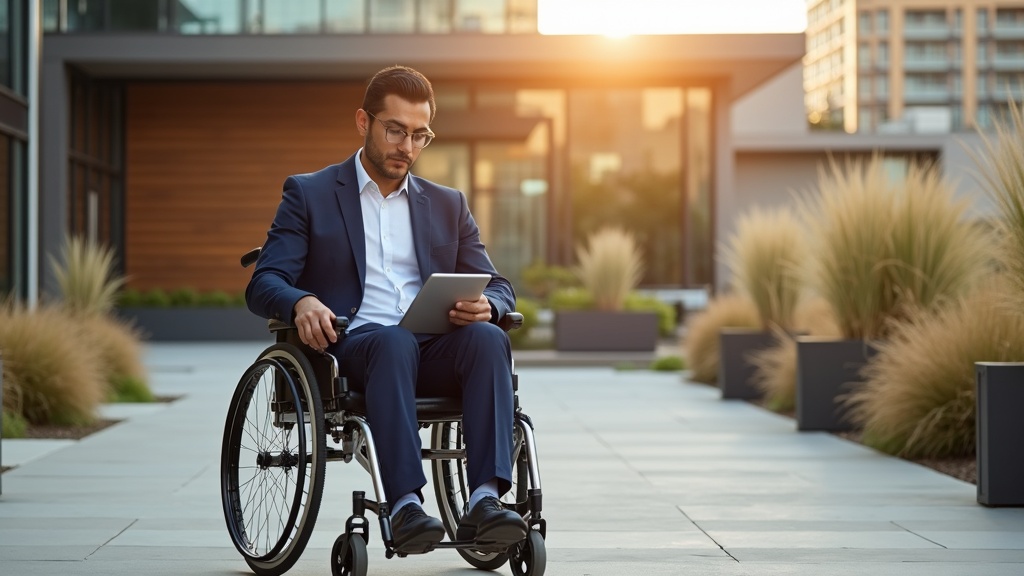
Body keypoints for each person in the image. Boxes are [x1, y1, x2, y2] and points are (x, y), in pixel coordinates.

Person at [246, 65, 527, 555]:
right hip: (351, 350)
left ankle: (484, 499)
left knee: (488, 337)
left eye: (420, 135)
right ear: (364, 122)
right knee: (393, 341)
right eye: (396, 130)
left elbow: (499, 284)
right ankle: (405, 505)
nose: (407, 146)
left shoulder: (448, 204)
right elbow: (264, 281)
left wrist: (490, 304)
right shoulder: (310, 194)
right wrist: (301, 301)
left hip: (432, 349)